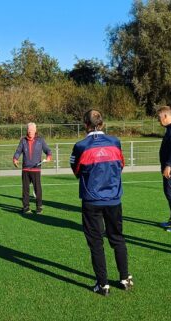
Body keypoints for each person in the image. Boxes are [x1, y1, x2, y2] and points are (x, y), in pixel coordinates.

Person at [70, 109, 133, 296]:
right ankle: (125, 278)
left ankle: (103, 284)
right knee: (117, 238)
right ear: (102, 124)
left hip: (92, 200)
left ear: (85, 125)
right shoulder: (115, 142)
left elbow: (76, 171)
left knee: (96, 243)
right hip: (114, 199)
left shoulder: (81, 146)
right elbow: (121, 165)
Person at [13, 122, 52, 215]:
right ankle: (26, 207)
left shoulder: (40, 140)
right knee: (25, 189)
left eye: (32, 130)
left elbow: (48, 150)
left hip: (36, 169)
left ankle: (39, 207)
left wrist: (49, 157)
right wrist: (15, 159)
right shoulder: (23, 140)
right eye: (29, 130)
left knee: (38, 189)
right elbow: (18, 151)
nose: (30, 131)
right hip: (26, 169)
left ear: (35, 130)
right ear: (27, 130)